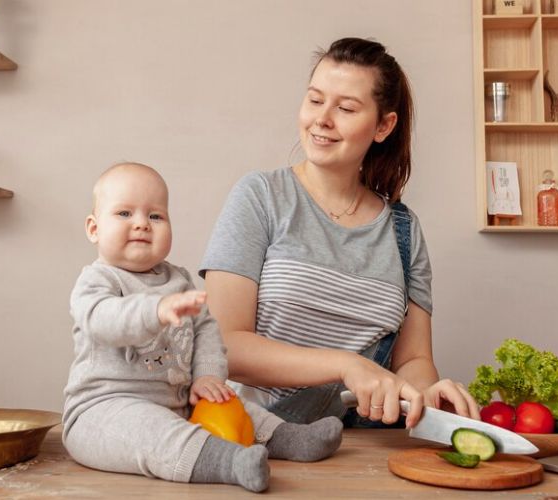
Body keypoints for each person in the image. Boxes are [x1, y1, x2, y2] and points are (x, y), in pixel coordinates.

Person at [199, 38, 480, 428]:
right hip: (259, 437)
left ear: (384, 126)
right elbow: (224, 345)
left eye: (346, 108)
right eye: (315, 100)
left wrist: (426, 394)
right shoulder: (261, 197)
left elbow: (413, 361)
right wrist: (345, 365)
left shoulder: (404, 231)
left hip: (366, 448)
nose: (322, 119)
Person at [62, 163, 343, 493]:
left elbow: (207, 330)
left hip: (178, 403)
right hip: (105, 411)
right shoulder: (97, 280)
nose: (141, 224)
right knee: (155, 434)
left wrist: (208, 377)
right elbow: (104, 320)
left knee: (232, 403)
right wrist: (155, 310)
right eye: (124, 213)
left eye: (156, 216)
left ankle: (287, 437)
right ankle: (229, 463)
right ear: (94, 228)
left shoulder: (178, 280)